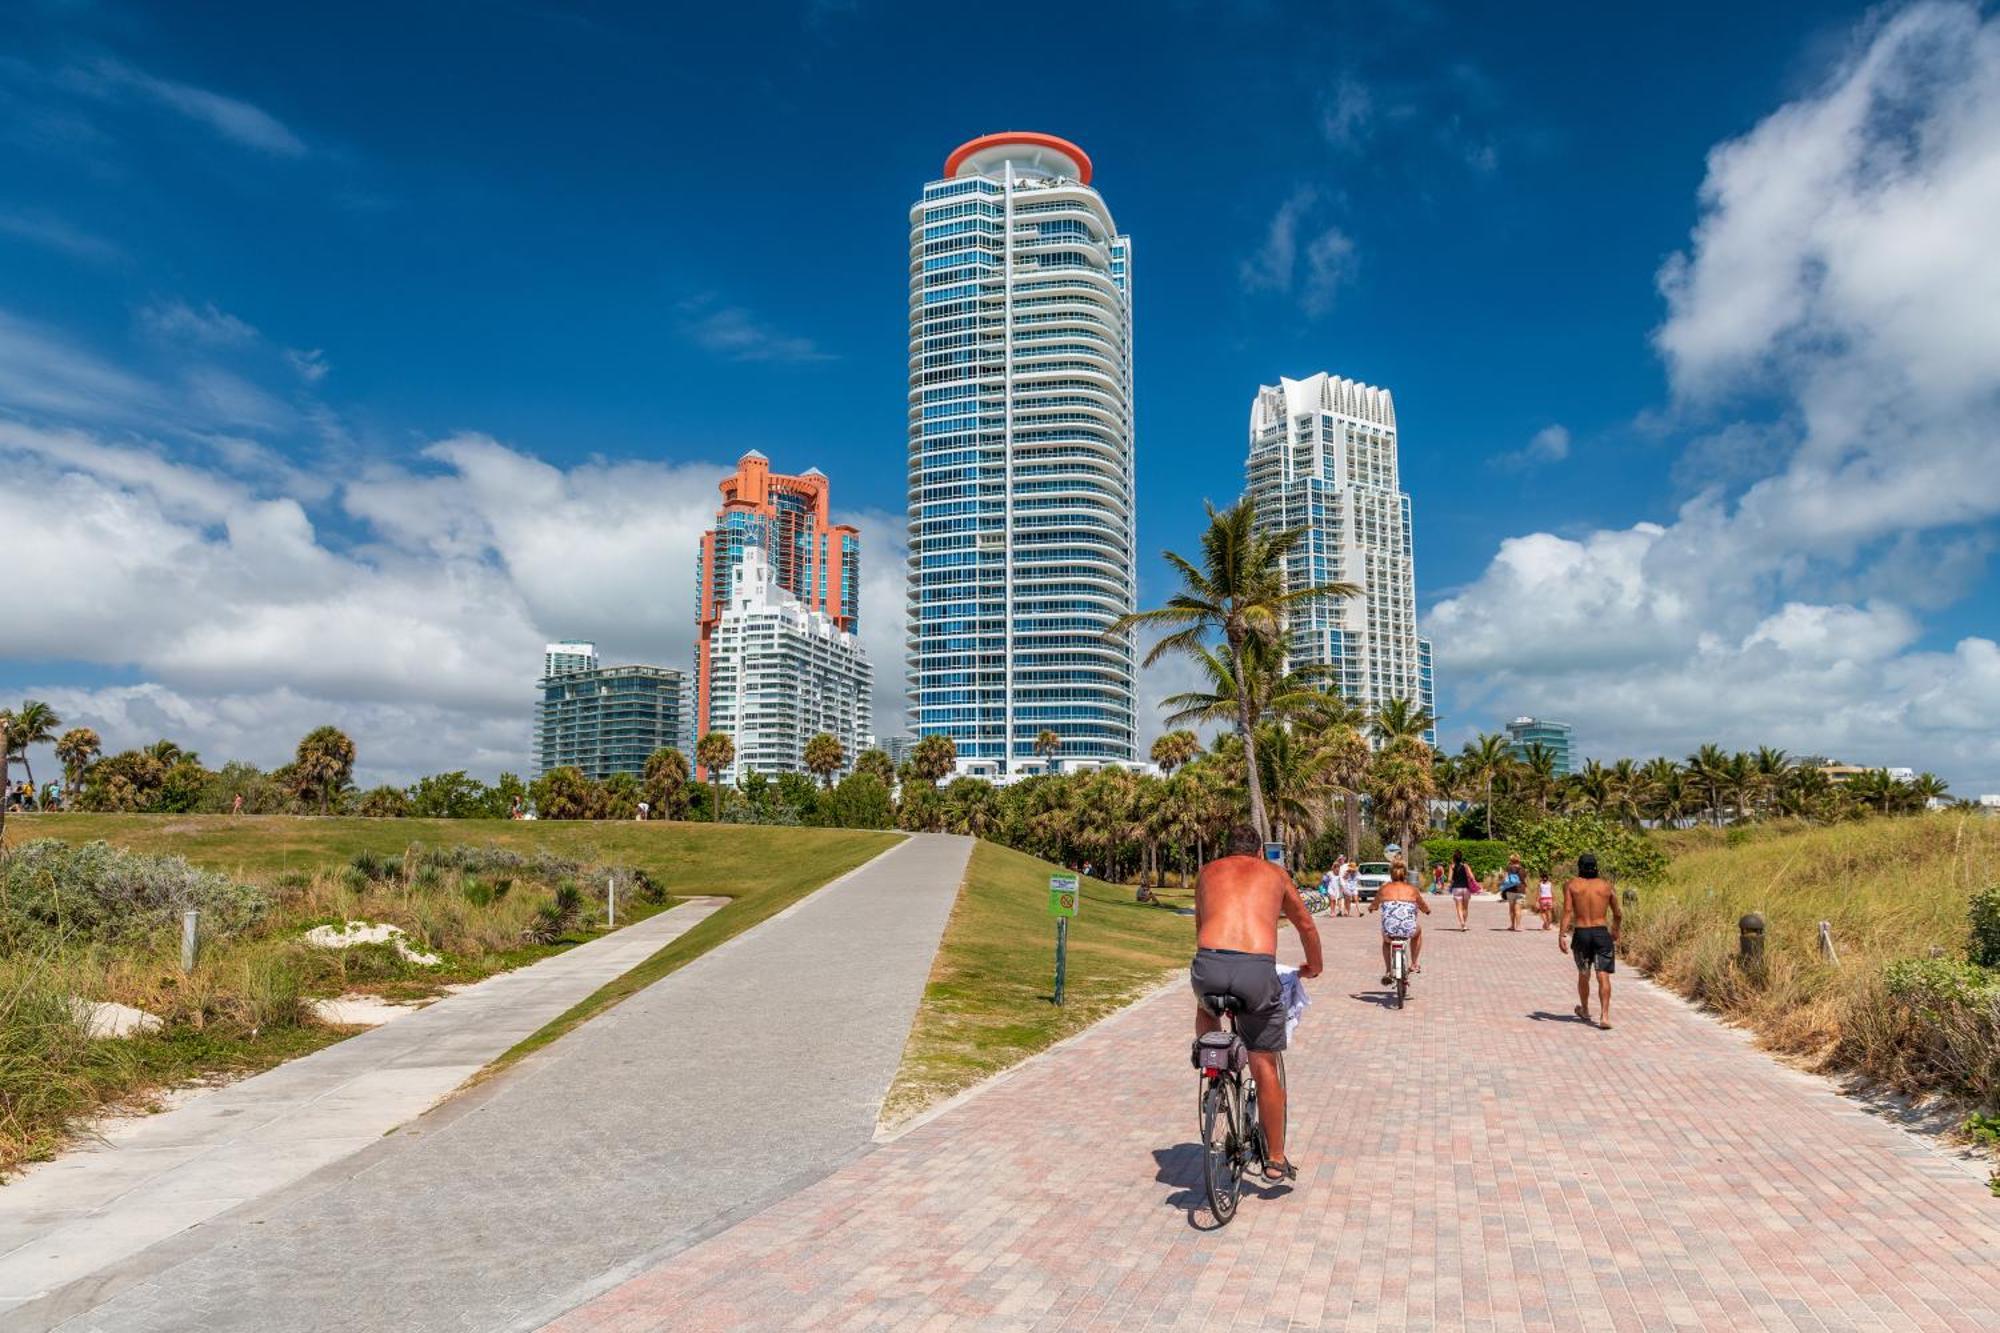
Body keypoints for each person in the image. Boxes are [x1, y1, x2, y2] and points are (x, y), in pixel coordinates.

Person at [1191, 824, 1324, 1183]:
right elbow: (1306, 926)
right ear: (1259, 852)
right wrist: (1314, 966)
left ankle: (1212, 1065)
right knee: (1263, 1062)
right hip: (1255, 971)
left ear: (1227, 850)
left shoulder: (1207, 872)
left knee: (1206, 1007)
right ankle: (1276, 1159)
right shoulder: (1274, 873)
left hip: (1208, 965)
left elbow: (1201, 923)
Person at [1559, 852, 1622, 1028]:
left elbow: (1567, 912)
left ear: (1579, 867)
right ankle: (1604, 1017)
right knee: (1603, 975)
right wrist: (1615, 930)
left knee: (1584, 974)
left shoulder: (1571, 885)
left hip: (1581, 934)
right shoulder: (1607, 886)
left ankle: (1585, 1009)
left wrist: (1562, 935)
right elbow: (1617, 913)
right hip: (1602, 934)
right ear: (1596, 867)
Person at [1369, 857, 1430, 984]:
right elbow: (1423, 906)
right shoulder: (1412, 890)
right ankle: (1414, 963)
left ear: (1391, 874)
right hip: (1408, 929)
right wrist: (1427, 911)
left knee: (1386, 942)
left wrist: (1371, 908)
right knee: (1418, 931)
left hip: (1390, 929)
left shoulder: (1384, 889)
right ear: (1405, 874)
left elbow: (1374, 905)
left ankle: (1388, 970)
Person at [1448, 850, 1475, 930]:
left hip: (1457, 888)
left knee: (1459, 908)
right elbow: (1472, 877)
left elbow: (1449, 879)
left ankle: (1462, 924)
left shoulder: (1452, 866)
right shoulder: (1466, 866)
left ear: (1454, 858)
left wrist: (1453, 880)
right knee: (1465, 908)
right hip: (1466, 888)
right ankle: (1465, 924)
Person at [1500, 854, 1527, 931]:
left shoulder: (1508, 868)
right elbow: (1524, 879)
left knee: (1511, 909)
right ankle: (1518, 926)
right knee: (1518, 909)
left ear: (1511, 860)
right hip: (1520, 890)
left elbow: (1504, 878)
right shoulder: (1522, 869)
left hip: (1510, 890)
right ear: (1519, 860)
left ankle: (1512, 925)